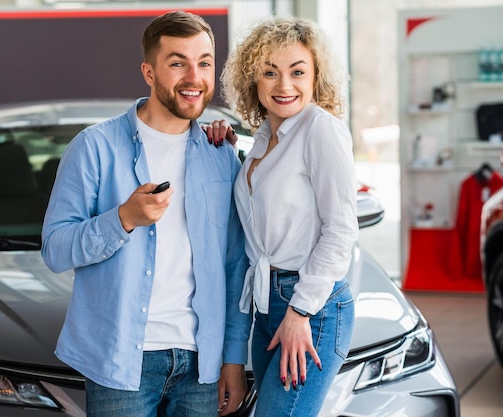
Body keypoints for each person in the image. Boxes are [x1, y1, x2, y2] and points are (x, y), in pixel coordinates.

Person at [40, 10, 251, 417]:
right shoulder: (94, 148)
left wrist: (232, 359)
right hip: (121, 363)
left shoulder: (220, 153)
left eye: (204, 62)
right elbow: (55, 249)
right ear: (149, 72)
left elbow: (234, 265)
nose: (194, 77)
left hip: (201, 364)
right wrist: (123, 219)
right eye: (177, 62)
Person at [218, 16, 358, 417]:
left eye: (298, 72)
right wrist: (223, 143)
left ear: (315, 78)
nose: (284, 86)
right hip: (267, 305)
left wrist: (300, 311)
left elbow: (340, 228)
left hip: (308, 305)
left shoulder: (321, 130)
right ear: (253, 80)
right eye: (270, 72)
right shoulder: (263, 139)